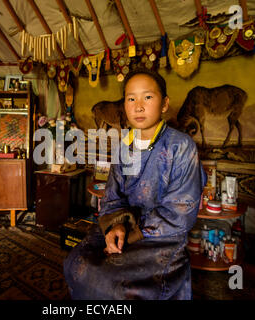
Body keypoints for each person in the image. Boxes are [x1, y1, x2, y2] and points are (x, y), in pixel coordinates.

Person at [63, 68, 207, 300]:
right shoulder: (123, 147)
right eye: (131, 98)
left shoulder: (181, 146)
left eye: (147, 97)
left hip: (161, 237)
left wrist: (129, 229)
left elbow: (181, 212)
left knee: (112, 283)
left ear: (164, 103)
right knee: (75, 263)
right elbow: (111, 196)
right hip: (120, 226)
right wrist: (115, 227)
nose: (138, 106)